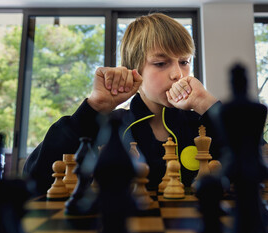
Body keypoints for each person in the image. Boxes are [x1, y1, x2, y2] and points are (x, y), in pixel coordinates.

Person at [23, 13, 221, 195]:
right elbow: (35, 176)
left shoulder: (203, 124)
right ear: (134, 70)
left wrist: (208, 105)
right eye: (161, 63)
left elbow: (248, 164)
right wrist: (93, 108)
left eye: (184, 62)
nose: (177, 73)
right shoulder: (108, 127)